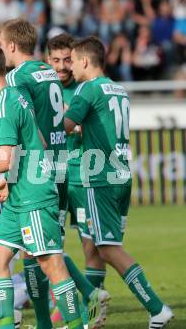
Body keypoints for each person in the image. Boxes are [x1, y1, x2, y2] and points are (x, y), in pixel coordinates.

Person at [0, 41, 83, 329]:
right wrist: (7, 180)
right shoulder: (15, 96)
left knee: (51, 265)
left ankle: (77, 324)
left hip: (34, 198)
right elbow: (36, 140)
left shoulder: (4, 104)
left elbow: (4, 159)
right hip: (18, 196)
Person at [0, 20, 109, 328]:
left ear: (9, 46)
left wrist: (10, 174)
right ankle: (84, 296)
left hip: (38, 173)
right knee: (44, 250)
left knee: (41, 253)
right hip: (60, 168)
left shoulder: (17, 77)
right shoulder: (48, 73)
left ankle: (71, 310)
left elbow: (26, 126)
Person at [64, 36, 174, 328]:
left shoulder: (87, 88)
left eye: (73, 61)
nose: (71, 67)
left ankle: (156, 307)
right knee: (99, 248)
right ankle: (93, 319)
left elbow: (64, 124)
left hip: (99, 177)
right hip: (121, 174)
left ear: (85, 61)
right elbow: (102, 125)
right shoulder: (119, 89)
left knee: (108, 248)